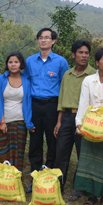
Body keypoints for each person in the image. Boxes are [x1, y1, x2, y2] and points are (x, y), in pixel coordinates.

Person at [73, 48, 103, 205]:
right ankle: (91, 196)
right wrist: (79, 122)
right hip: (90, 125)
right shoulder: (88, 80)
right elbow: (83, 102)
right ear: (97, 62)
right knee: (89, 161)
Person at [23, 28, 69, 192]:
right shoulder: (29, 61)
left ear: (53, 41)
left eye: (47, 38)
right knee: (35, 143)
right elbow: (26, 84)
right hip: (35, 105)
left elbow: (65, 87)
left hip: (52, 106)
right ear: (37, 41)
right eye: (41, 38)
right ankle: (35, 178)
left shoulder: (60, 62)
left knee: (52, 142)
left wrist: (61, 113)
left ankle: (50, 177)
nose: (43, 40)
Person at [53, 39, 95, 200]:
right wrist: (59, 121)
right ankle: (59, 185)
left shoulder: (93, 75)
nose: (83, 56)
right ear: (73, 55)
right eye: (80, 53)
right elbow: (62, 99)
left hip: (85, 118)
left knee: (82, 153)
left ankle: (78, 188)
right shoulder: (67, 75)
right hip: (67, 117)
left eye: (86, 53)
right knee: (61, 153)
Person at [0, 52, 34, 172]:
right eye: (10, 62)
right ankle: (3, 180)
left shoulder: (27, 80)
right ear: (7, 64)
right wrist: (1, 121)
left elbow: (28, 102)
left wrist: (29, 122)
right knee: (2, 152)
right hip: (4, 121)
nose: (13, 65)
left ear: (21, 64)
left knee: (18, 153)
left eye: (16, 62)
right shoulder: (1, 79)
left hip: (20, 122)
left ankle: (16, 180)